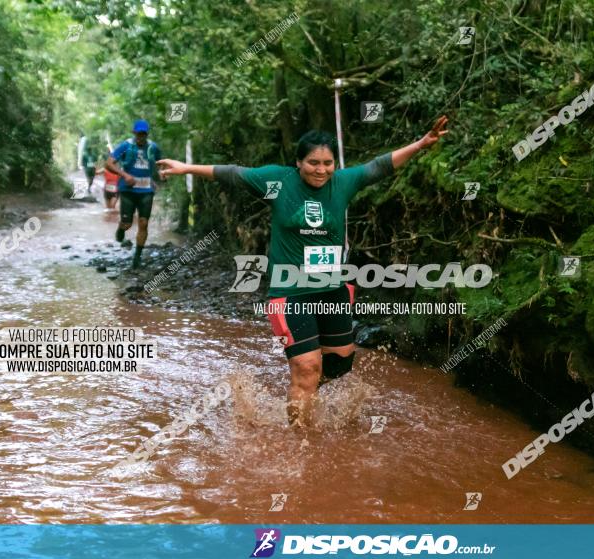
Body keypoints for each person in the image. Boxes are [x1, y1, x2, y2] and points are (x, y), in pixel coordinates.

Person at [156, 116, 450, 427]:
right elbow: (233, 174)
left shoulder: (343, 183)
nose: (321, 170)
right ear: (298, 162)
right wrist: (187, 168)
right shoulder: (278, 181)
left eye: (327, 163)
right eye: (313, 162)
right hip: (291, 291)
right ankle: (302, 443)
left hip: (332, 289)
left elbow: (379, 166)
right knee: (309, 368)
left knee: (339, 365)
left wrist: (421, 144)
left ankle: (300, 397)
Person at [105, 120, 163, 269]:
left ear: (147, 134)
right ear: (134, 133)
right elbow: (109, 163)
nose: (140, 137)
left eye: (143, 134)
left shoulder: (153, 147)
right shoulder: (126, 146)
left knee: (143, 223)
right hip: (128, 191)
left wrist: (162, 174)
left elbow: (160, 163)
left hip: (146, 191)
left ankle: (137, 257)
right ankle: (121, 228)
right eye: (138, 134)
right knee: (128, 223)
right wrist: (124, 175)